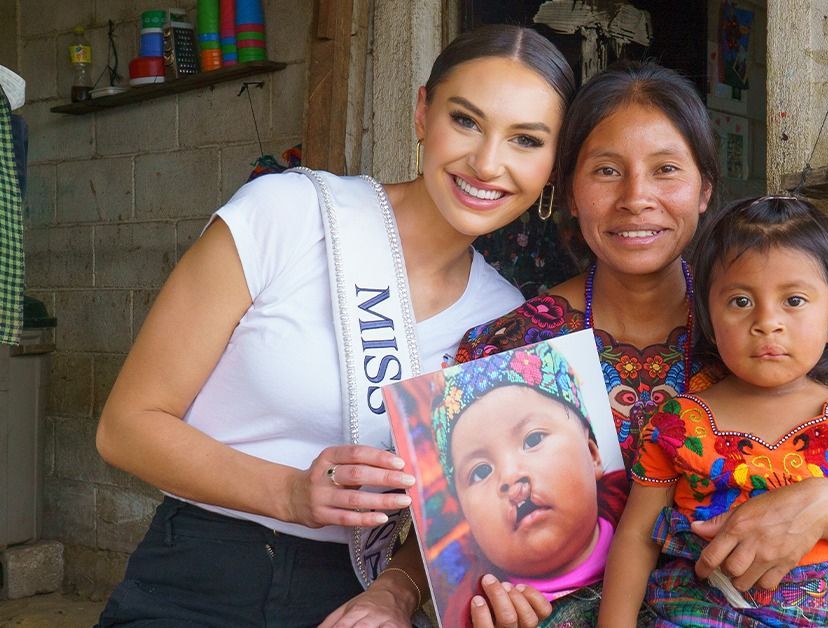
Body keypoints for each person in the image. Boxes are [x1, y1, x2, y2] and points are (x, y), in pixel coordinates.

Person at [94, 25, 574, 628]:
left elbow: (460, 517)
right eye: (467, 121)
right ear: (423, 112)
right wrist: (291, 492)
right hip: (195, 577)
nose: (487, 163)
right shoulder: (289, 213)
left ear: (554, 163)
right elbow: (125, 428)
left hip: (352, 598)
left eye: (526, 139)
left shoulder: (505, 319)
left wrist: (395, 594)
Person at [456, 61, 828, 626]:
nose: (636, 198)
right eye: (606, 171)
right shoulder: (512, 351)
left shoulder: (764, 332)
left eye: (665, 169)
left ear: (704, 189)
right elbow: (451, 534)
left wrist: (826, 503)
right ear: (569, 190)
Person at [600, 195, 828, 627]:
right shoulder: (677, 424)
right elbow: (638, 538)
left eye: (793, 300)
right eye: (740, 301)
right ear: (710, 322)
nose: (767, 322)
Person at [423, 342, 627, 623]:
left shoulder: (648, 531)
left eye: (533, 439)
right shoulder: (477, 611)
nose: (509, 476)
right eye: (480, 471)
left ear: (592, 454)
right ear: (465, 517)